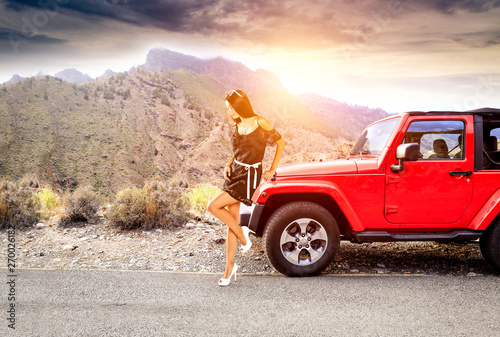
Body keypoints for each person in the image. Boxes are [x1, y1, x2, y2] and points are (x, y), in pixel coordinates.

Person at [208, 89, 285, 286]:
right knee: (231, 221)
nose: (230, 112)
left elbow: (280, 142)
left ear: (241, 105)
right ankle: (230, 268)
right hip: (234, 172)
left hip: (249, 176)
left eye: (233, 107)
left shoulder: (260, 122)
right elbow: (241, 149)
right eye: (228, 108)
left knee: (213, 206)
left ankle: (244, 237)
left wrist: (272, 168)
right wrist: (229, 162)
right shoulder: (238, 123)